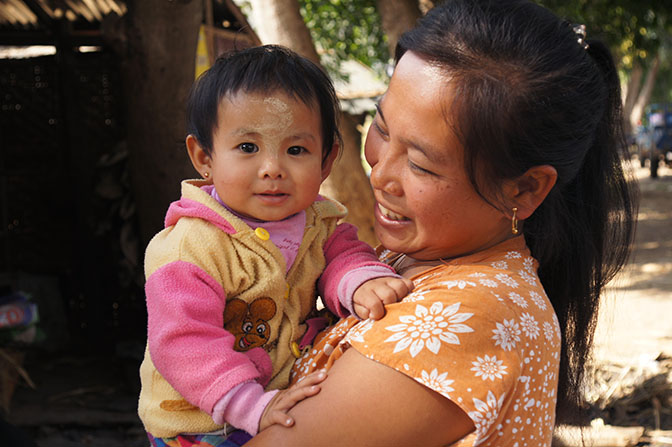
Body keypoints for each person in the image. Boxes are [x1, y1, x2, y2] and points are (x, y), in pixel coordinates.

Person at [247, 0, 637, 445]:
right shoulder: (424, 257)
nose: (380, 172)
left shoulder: (465, 321)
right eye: (381, 127)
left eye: (421, 165)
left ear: (525, 189)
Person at [137, 45, 413, 447]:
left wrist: (360, 282)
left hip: (282, 394)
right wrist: (251, 406)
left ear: (326, 161)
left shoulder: (319, 222)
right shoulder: (188, 249)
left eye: (296, 150)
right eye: (248, 148)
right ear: (204, 157)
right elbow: (183, 342)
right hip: (202, 422)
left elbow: (342, 254)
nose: (272, 168)